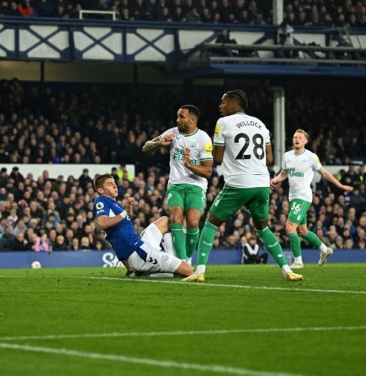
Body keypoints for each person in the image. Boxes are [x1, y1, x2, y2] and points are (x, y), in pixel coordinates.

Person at [183, 90, 303, 283]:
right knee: (263, 228)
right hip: (262, 183)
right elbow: (270, 159)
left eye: (223, 103)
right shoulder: (261, 124)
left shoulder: (223, 123)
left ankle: (200, 271)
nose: (220, 107)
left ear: (233, 103)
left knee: (211, 223)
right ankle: (288, 270)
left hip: (239, 182)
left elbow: (218, 157)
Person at [270, 129, 354, 268]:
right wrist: (275, 179)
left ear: (305, 141)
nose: (296, 139)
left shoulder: (311, 157)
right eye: (295, 137)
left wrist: (340, 185)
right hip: (293, 196)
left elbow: (325, 173)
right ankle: (325, 249)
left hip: (303, 196)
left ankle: (298, 261)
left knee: (290, 227)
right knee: (302, 231)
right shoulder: (287, 156)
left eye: (300, 138)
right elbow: (284, 173)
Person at [142, 105, 213, 265]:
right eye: (177, 116)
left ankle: (187, 258)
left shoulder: (203, 138)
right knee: (175, 217)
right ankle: (181, 261)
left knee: (193, 222)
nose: (177, 120)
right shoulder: (172, 132)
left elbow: (208, 172)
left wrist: (189, 166)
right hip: (176, 184)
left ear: (192, 120)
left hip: (196, 185)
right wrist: (160, 143)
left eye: (181, 116)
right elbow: (145, 147)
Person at [93, 174, 193, 278]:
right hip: (138, 250)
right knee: (188, 270)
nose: (115, 186)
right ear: (100, 190)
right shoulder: (101, 200)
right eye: (110, 184)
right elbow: (102, 223)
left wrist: (128, 267)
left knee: (165, 220)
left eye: (114, 183)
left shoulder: (113, 204)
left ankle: (156, 265)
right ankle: (164, 266)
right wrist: (125, 212)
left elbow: (114, 241)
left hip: (140, 243)